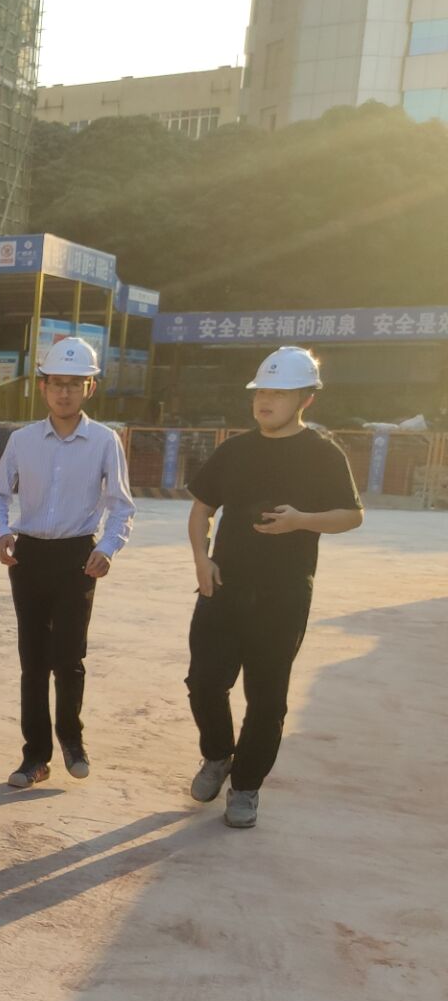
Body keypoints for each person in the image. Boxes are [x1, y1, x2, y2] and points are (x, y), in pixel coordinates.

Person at [184, 346, 362, 829]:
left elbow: (352, 515)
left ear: (306, 399)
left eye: (279, 393)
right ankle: (217, 755)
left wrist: (302, 520)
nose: (265, 401)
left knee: (266, 699)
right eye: (261, 391)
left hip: (283, 596)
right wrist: (201, 559)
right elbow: (201, 509)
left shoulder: (323, 454)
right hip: (223, 587)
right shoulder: (234, 450)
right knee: (204, 683)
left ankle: (245, 787)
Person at [0, 336, 135, 790]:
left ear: (90, 388)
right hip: (29, 555)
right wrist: (1, 533)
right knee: (32, 661)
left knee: (69, 658)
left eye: (74, 384)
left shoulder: (104, 441)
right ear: (43, 387)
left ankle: (72, 739)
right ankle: (35, 757)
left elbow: (121, 505)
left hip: (77, 557)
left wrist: (107, 548)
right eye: (56, 383)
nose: (64, 393)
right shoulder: (23, 440)